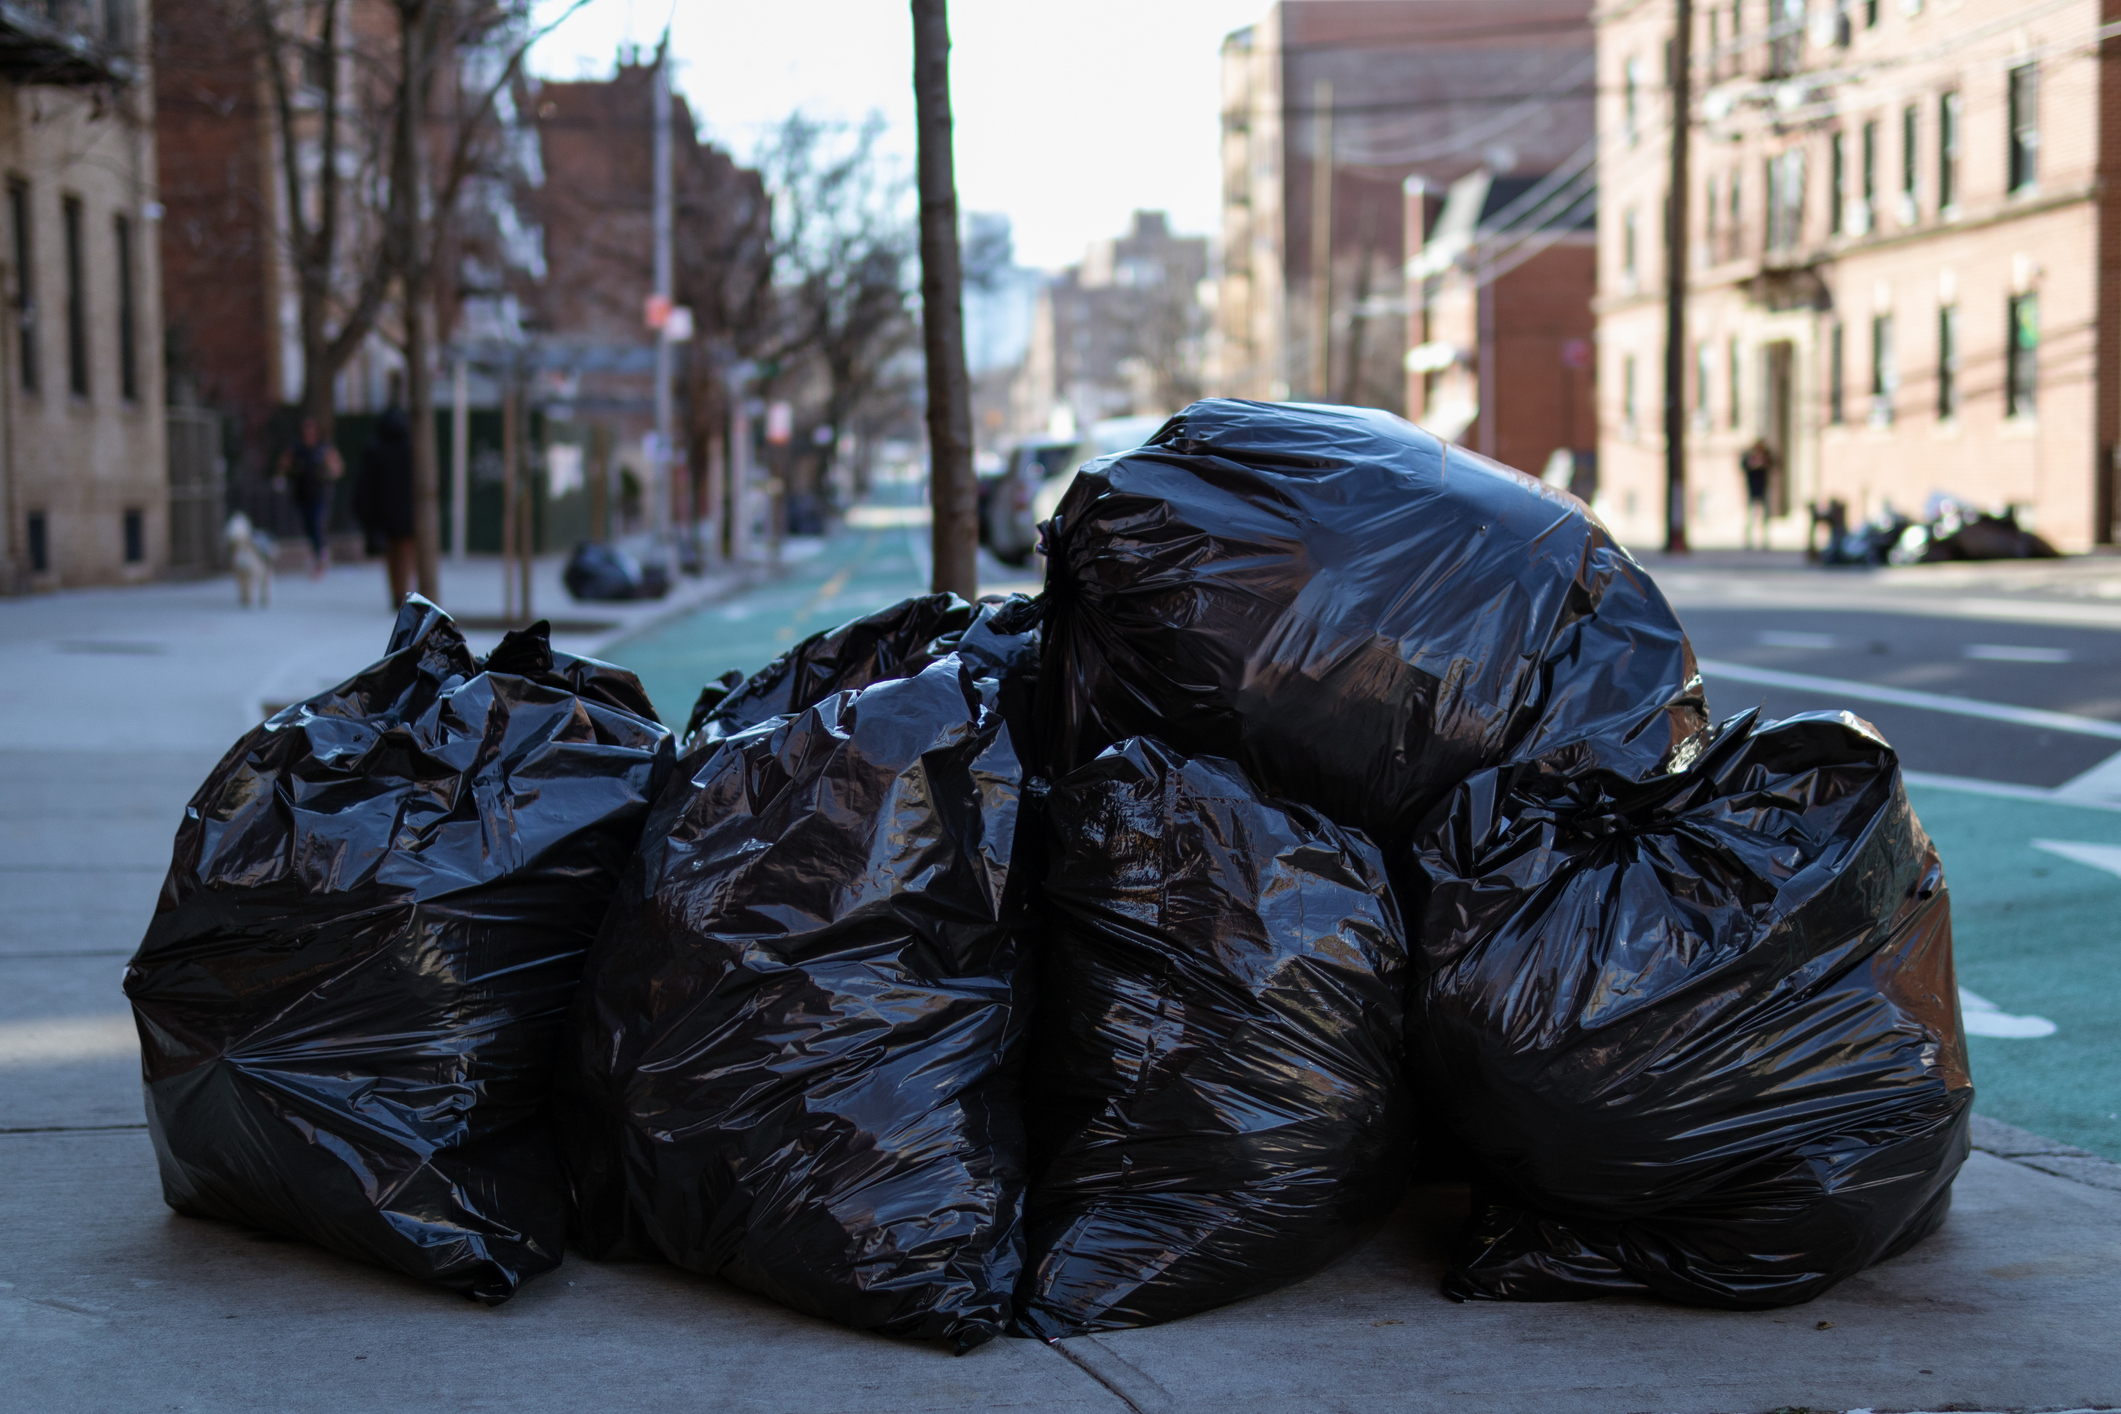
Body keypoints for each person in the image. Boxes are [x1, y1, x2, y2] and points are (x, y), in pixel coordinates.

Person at [357, 379, 418, 608]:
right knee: (406, 553)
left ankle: (398, 594)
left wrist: (366, 512)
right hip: (409, 510)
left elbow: (365, 484)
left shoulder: (375, 449)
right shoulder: (411, 449)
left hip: (385, 512)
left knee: (393, 555)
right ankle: (405, 594)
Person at [276, 418, 343, 578]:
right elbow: (284, 462)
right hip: (301, 493)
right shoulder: (296, 447)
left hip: (319, 493)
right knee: (307, 526)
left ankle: (320, 557)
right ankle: (317, 554)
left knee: (316, 523)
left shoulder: (323, 447)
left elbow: (336, 466)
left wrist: (330, 473)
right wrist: (281, 477)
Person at [1739, 438, 1775, 550]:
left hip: (1763, 487)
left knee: (1764, 516)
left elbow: (1774, 464)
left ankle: (1765, 540)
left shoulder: (1765, 455)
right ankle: (1748, 540)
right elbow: (1743, 465)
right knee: (1751, 515)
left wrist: (1764, 462)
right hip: (1752, 487)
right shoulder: (1749, 456)